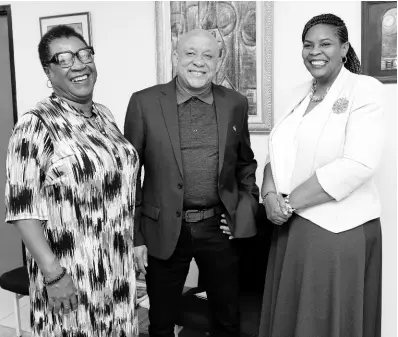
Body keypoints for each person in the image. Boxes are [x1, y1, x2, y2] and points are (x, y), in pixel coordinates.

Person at [4, 25, 139, 337]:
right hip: (69, 272)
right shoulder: (35, 125)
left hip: (115, 268)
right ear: (48, 72)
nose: (79, 65)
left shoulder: (104, 116)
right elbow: (23, 210)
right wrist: (53, 274)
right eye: (63, 59)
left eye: (84, 54)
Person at [124, 29, 259, 337]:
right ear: (175, 57)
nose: (199, 62)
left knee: (227, 320)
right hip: (163, 229)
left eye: (209, 55)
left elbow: (245, 165)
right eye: (190, 53)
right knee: (161, 321)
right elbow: (128, 176)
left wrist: (243, 211)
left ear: (219, 61)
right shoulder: (144, 102)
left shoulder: (235, 103)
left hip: (217, 228)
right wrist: (136, 236)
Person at [258, 13, 384, 337]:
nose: (316, 51)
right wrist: (269, 196)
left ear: (344, 48)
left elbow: (358, 163)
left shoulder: (364, 89)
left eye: (326, 43)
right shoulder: (297, 92)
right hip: (290, 229)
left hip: (338, 233)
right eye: (308, 44)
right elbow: (277, 152)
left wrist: (287, 203)